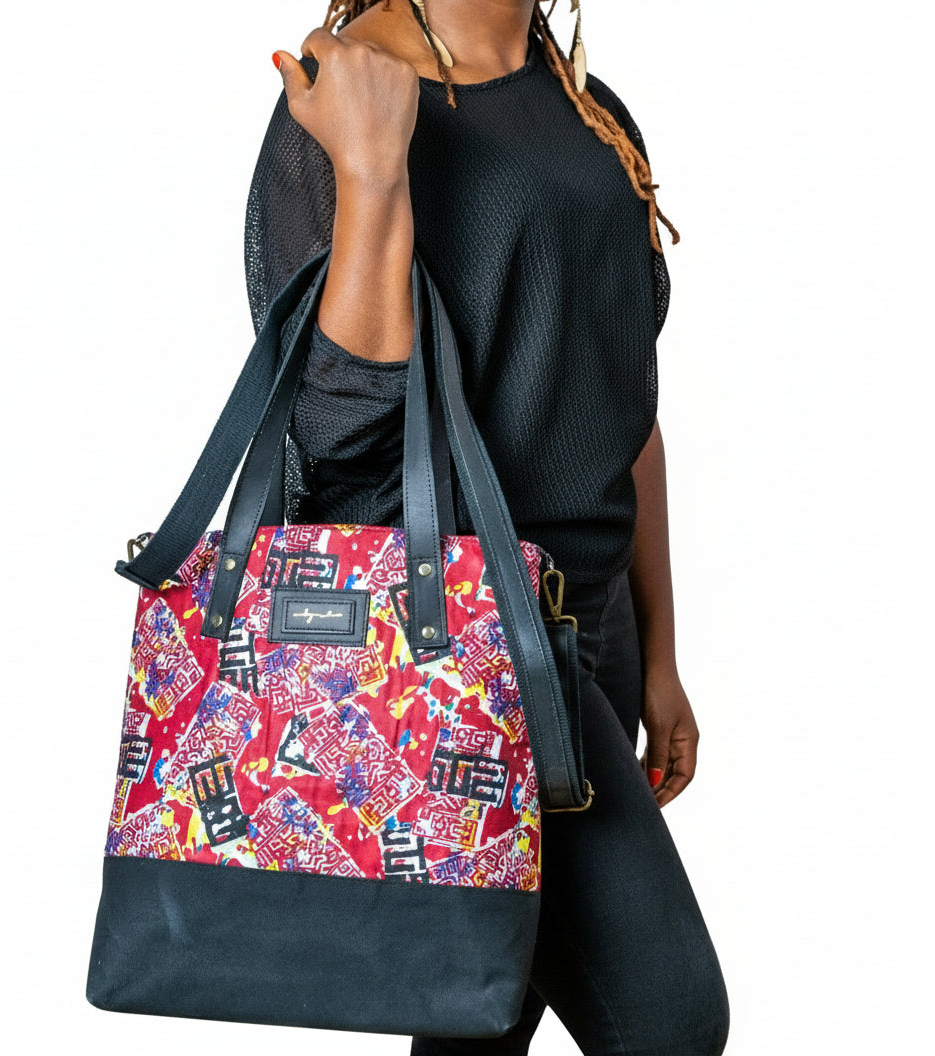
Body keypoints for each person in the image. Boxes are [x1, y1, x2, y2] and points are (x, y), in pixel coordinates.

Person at [245, 2, 731, 1053]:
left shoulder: (589, 112)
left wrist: (659, 654)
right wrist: (372, 168)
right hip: (469, 645)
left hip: (593, 622)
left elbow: (625, 402)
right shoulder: (349, 93)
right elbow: (333, 426)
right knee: (671, 1020)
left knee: (482, 1019)